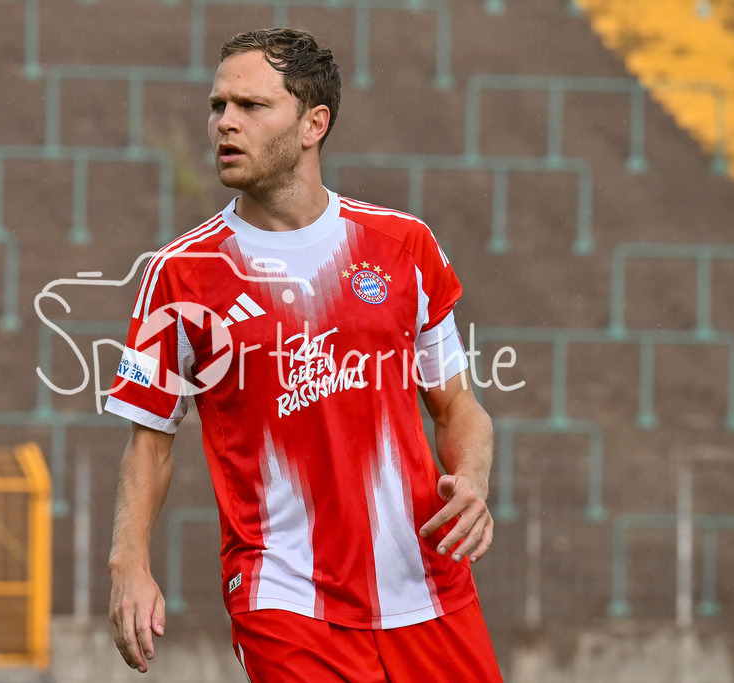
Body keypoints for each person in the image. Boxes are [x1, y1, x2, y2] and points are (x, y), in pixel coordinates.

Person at [104, 27, 502, 681]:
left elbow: (458, 404)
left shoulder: (406, 246)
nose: (225, 124)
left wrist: (474, 480)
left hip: (431, 587)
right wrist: (130, 562)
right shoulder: (180, 273)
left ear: (314, 123)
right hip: (286, 600)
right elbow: (149, 441)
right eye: (218, 106)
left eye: (252, 107)